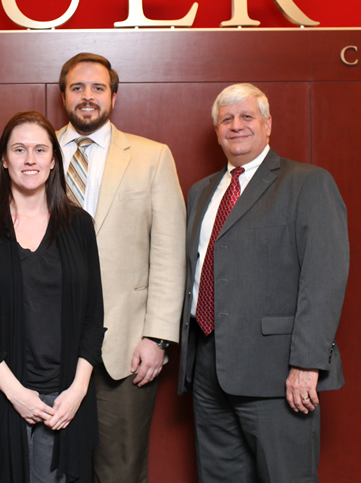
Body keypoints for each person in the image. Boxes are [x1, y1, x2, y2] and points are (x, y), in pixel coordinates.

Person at [178, 83, 349, 482]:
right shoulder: (201, 192)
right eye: (226, 119)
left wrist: (307, 364)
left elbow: (324, 277)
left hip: (278, 375)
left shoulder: (308, 183)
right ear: (217, 130)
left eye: (247, 117)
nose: (236, 126)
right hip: (207, 370)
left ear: (268, 125)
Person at [0, 111, 104, 482]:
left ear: (54, 160)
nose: (30, 159)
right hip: (1, 393)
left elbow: (93, 315)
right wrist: (17, 394)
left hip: (67, 395)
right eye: (19, 149)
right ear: (4, 160)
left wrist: (77, 390)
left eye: (40, 150)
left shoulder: (79, 225)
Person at [56, 53, 186, 481]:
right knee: (52, 467)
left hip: (125, 347)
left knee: (121, 471)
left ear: (114, 95)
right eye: (77, 88)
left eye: (97, 87)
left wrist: (158, 338)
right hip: (47, 346)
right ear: (63, 96)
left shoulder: (152, 157)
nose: (87, 96)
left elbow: (168, 252)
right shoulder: (38, 152)